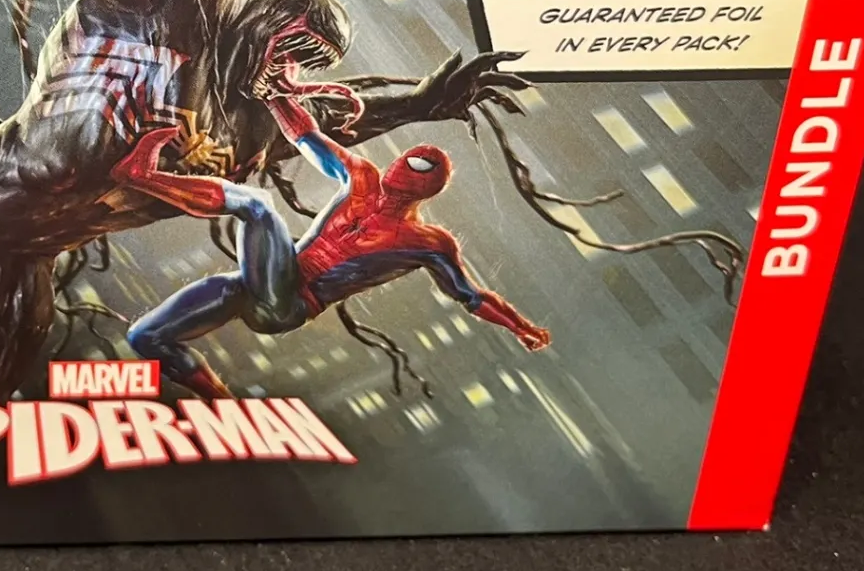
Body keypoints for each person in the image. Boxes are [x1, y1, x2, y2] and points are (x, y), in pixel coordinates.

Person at [113, 91, 550, 399]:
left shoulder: (427, 241)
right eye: (411, 160)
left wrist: (520, 326)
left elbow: (471, 295)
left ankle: (142, 177)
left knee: (258, 206)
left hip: (291, 304)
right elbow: (306, 136)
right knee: (144, 337)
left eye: (420, 168)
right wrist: (272, 95)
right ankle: (222, 402)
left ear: (430, 187)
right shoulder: (361, 178)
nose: (406, 168)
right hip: (259, 283)